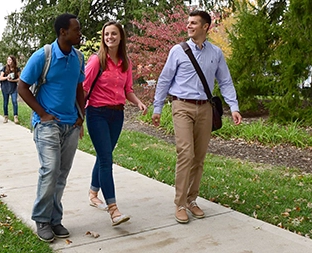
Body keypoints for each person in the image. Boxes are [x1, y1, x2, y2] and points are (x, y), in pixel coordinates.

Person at [152, 10, 242, 224]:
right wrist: (157, 108)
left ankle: (192, 200)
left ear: (205, 27)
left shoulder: (216, 53)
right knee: (186, 153)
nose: (189, 26)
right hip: (181, 106)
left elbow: (225, 81)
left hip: (205, 108)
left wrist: (234, 107)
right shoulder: (177, 51)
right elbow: (164, 80)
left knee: (199, 157)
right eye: (188, 23)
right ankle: (180, 203)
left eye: (194, 23)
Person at [17, 13, 85, 243]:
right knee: (50, 169)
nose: (79, 32)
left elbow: (79, 88)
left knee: (61, 174)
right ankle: (42, 219)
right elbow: (22, 86)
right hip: (47, 124)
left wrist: (81, 115)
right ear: (63, 32)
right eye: (76, 29)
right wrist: (43, 114)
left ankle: (55, 219)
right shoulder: (43, 55)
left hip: (70, 125)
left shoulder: (79, 57)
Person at [83, 21, 147, 226]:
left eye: (114, 34)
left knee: (105, 154)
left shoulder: (125, 62)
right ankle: (114, 210)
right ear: (103, 37)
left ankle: (93, 193)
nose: (110, 37)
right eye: (106, 34)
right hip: (97, 114)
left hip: (117, 115)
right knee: (106, 159)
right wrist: (77, 116)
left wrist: (137, 102)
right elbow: (84, 89)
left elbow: (127, 89)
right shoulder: (96, 61)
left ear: (121, 37)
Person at [0, 55, 20, 124]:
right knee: (5, 102)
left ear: (13, 61)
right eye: (8, 60)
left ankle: (15, 116)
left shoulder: (17, 69)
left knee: (14, 102)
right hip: (5, 87)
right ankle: (5, 116)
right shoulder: (4, 68)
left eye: (10, 60)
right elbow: (0, 78)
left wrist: (13, 81)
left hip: (13, 87)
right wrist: (7, 77)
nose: (9, 61)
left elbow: (19, 79)